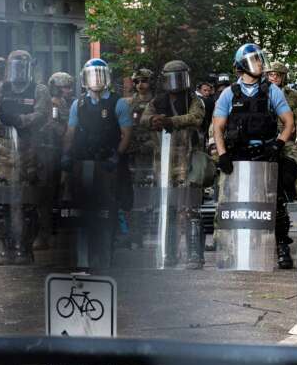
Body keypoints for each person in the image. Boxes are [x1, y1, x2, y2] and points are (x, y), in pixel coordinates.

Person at [212, 43, 296, 268]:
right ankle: (230, 247)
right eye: (254, 60)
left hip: (266, 154)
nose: (259, 63)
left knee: (275, 202)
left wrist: (278, 145)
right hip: (237, 156)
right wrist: (222, 155)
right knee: (230, 203)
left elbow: (288, 123)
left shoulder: (272, 90)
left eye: (260, 59)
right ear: (242, 65)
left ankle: (281, 246)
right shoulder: (229, 94)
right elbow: (217, 128)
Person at [63, 58, 132, 268]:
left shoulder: (118, 102)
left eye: (100, 76)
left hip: (108, 162)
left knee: (110, 206)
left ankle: (111, 247)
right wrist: (65, 155)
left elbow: (126, 134)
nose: (96, 81)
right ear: (85, 79)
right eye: (92, 76)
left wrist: (117, 156)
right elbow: (70, 132)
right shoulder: (79, 103)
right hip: (85, 162)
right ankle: (84, 256)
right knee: (83, 207)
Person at [0, 50, 49, 264]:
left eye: (23, 66)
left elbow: (42, 115)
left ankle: (25, 248)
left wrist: (19, 120)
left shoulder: (39, 90)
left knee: (28, 205)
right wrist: (5, 121)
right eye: (15, 66)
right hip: (4, 155)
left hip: (30, 155)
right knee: (2, 205)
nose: (19, 71)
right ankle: (7, 247)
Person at [141, 60, 206, 268]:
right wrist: (155, 121)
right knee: (167, 209)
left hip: (188, 160)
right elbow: (144, 119)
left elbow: (196, 118)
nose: (176, 83)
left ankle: (195, 253)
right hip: (165, 162)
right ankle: (169, 253)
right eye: (171, 78)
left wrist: (171, 121)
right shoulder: (158, 101)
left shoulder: (194, 99)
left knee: (190, 209)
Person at [37, 71, 75, 250]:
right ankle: (44, 234)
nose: (68, 90)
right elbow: (53, 125)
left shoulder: (70, 103)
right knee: (48, 195)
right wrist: (67, 131)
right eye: (64, 87)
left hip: (65, 151)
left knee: (63, 193)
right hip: (51, 152)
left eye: (69, 87)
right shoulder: (52, 104)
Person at [124, 68, 155, 249]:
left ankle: (147, 232)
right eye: (136, 82)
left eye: (144, 80)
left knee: (149, 196)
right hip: (133, 153)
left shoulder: (156, 102)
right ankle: (134, 234)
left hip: (151, 153)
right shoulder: (128, 103)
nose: (140, 85)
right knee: (133, 196)